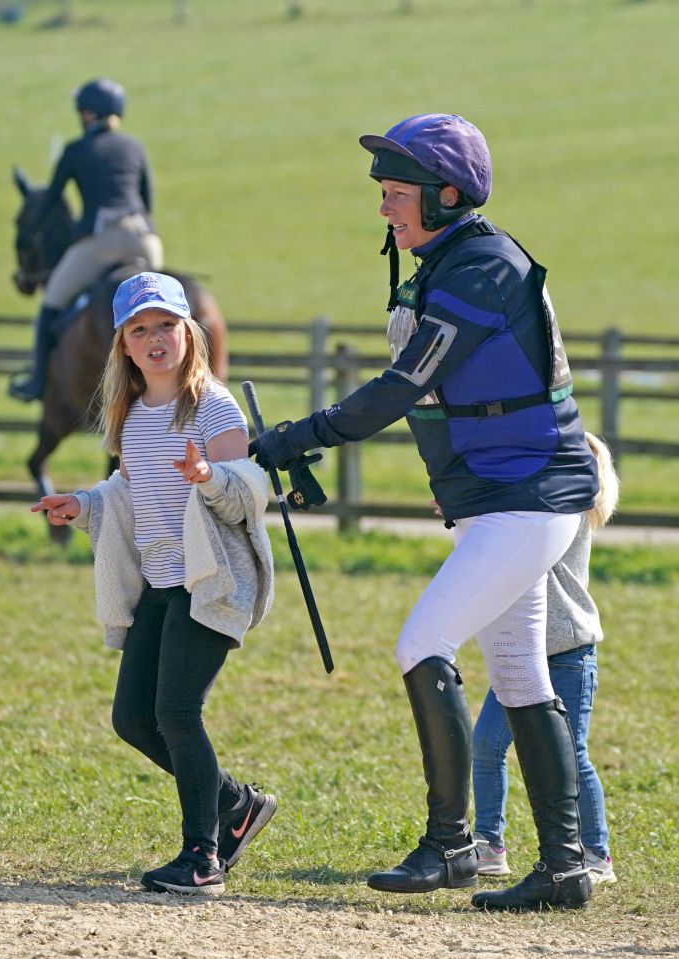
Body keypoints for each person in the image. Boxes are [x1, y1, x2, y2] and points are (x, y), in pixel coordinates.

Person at [251, 113, 600, 911]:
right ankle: (564, 869)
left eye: (396, 193)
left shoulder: (481, 266)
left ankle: (448, 846)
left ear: (448, 196)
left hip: (528, 494)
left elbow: (406, 385)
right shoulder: (448, 261)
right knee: (518, 674)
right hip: (501, 497)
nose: (383, 208)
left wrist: (299, 435)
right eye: (381, 193)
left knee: (421, 641)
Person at [31, 271, 276, 895]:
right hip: (160, 584)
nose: (154, 338)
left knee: (176, 711)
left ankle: (202, 859)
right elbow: (129, 494)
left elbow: (248, 498)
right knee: (133, 718)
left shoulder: (213, 408)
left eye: (166, 324)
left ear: (189, 332)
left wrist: (208, 478)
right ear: (123, 346)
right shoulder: (131, 413)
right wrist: (83, 506)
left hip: (212, 582)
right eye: (140, 330)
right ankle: (235, 805)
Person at [473, 432, 619, 887]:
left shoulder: (564, 513)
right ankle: (489, 845)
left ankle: (596, 853)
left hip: (568, 652)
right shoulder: (536, 507)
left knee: (572, 755)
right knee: (486, 744)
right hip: (523, 648)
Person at [10, 78, 164, 402]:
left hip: (101, 242)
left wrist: (29, 231)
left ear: (88, 113)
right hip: (145, 242)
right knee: (166, 306)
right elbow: (147, 200)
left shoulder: (76, 149)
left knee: (51, 302)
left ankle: (37, 381)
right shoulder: (134, 146)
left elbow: (51, 198)